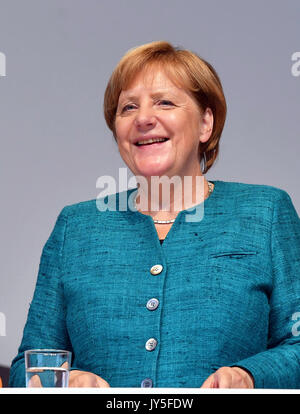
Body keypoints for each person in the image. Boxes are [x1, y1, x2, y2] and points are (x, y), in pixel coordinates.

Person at [9, 41, 300, 388]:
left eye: (164, 102)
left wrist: (249, 376)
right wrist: (67, 380)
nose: (144, 119)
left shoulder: (264, 213)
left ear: (206, 123)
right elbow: (28, 366)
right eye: (128, 107)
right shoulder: (75, 227)